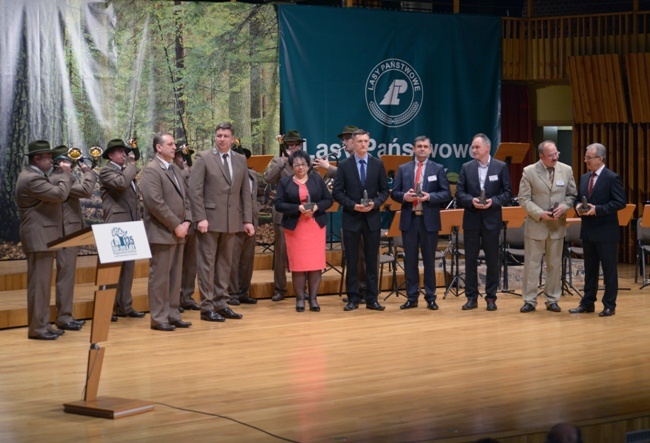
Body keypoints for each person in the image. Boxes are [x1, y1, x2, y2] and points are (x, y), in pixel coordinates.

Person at [189, 122, 254, 322]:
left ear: (233, 139)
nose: (222, 139)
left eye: (226, 136)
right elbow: (195, 190)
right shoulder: (204, 157)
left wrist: (247, 220)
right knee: (207, 264)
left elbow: (245, 192)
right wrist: (200, 217)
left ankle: (221, 303)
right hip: (209, 220)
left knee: (225, 264)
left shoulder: (240, 159)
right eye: (218, 135)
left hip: (232, 220)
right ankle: (207, 306)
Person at [16, 140, 74, 340]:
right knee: (39, 286)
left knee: (42, 285)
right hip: (38, 237)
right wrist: (66, 174)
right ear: (36, 158)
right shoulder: (32, 179)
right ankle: (37, 328)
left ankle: (43, 324)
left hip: (44, 237)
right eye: (48, 157)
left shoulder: (38, 176)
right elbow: (60, 194)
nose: (52, 160)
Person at [391, 135, 451, 310]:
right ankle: (412, 297)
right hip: (409, 220)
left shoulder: (438, 168)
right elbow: (394, 193)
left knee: (429, 260)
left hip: (429, 221)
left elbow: (446, 193)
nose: (422, 149)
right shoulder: (403, 169)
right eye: (419, 146)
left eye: (425, 146)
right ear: (413, 149)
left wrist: (430, 197)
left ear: (430, 149)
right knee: (410, 260)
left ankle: (431, 297)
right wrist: (405, 196)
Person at [140, 132, 193, 331]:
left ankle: (172, 313)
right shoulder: (152, 171)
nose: (174, 147)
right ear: (158, 148)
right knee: (160, 278)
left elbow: (186, 198)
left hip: (179, 231)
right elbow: (155, 203)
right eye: (170, 144)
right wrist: (176, 225)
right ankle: (158, 317)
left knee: (174, 277)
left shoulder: (175, 170)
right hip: (161, 233)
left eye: (174, 144)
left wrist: (187, 221)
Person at [332, 129, 389, 311]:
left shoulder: (378, 164)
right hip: (352, 218)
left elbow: (385, 191)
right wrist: (352, 205)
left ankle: (372, 298)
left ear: (369, 142)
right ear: (353, 144)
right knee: (353, 260)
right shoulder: (344, 165)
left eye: (366, 141)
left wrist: (375, 203)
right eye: (359, 142)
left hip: (372, 218)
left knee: (372, 260)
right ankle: (353, 298)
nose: (363, 144)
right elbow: (338, 193)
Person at [518, 140, 577, 313]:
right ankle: (529, 300)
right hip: (536, 225)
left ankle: (552, 299)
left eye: (557, 153)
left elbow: (572, 195)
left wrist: (564, 207)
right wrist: (539, 213)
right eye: (551, 155)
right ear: (541, 156)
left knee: (554, 264)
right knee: (532, 264)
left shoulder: (566, 170)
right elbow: (524, 199)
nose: (555, 157)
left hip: (557, 226)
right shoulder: (529, 171)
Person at [455, 133, 512, 311]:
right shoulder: (466, 167)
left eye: (477, 147)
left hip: (491, 220)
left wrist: (493, 202)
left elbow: (508, 193)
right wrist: (470, 201)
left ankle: (491, 297)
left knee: (492, 260)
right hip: (472, 219)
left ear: (487, 148)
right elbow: (459, 193)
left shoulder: (500, 167)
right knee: (470, 260)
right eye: (473, 147)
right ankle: (471, 297)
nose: (474, 150)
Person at [569, 143, 625, 317]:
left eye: (589, 158)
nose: (585, 160)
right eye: (586, 157)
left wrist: (598, 210)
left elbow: (619, 202)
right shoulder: (585, 177)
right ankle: (587, 302)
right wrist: (578, 205)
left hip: (606, 232)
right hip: (588, 231)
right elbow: (578, 198)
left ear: (600, 159)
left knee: (609, 270)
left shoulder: (612, 177)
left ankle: (609, 305)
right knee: (590, 270)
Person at [313, 124, 367, 302]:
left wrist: (329, 167)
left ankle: (365, 289)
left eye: (346, 139)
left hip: (364, 214)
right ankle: (356, 290)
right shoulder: (346, 161)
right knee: (353, 255)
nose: (343, 142)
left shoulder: (361, 160)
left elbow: (355, 176)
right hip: (350, 212)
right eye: (343, 140)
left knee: (364, 254)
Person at [274, 150, 333, 312]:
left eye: (303, 164)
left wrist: (316, 206)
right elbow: (278, 204)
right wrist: (297, 208)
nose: (300, 167)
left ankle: (313, 299)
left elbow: (328, 200)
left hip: (315, 227)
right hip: (295, 228)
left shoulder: (316, 179)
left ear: (308, 165)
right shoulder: (285, 182)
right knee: (298, 265)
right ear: (291, 166)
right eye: (296, 165)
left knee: (315, 265)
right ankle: (300, 299)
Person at [99, 138, 146, 320]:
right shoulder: (106, 171)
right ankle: (106, 307)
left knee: (128, 268)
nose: (125, 155)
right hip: (115, 226)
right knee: (111, 269)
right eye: (120, 152)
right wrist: (132, 165)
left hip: (131, 224)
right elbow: (121, 184)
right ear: (110, 155)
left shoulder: (126, 171)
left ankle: (124, 305)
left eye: (125, 152)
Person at [52, 147, 97, 331]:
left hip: (68, 230)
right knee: (66, 275)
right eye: (67, 161)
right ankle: (63, 317)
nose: (70, 165)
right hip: (65, 232)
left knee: (67, 274)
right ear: (59, 162)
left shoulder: (60, 178)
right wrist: (87, 171)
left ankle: (66, 315)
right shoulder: (58, 178)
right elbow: (86, 190)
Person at [263, 130, 305, 302]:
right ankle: (280, 289)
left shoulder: (305, 161)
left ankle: (303, 288)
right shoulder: (278, 161)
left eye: (296, 144)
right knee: (280, 254)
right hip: (282, 215)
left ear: (300, 145)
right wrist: (282, 163)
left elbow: (314, 180)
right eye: (290, 145)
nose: (293, 147)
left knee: (302, 253)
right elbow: (268, 178)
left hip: (302, 214)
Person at [228, 145, 259, 306]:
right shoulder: (229, 176)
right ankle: (232, 293)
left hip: (251, 222)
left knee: (248, 259)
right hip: (234, 221)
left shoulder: (253, 175)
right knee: (233, 260)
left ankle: (243, 291)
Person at [173, 144, 201, 311]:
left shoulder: (192, 173)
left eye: (186, 156)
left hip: (194, 222)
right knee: (178, 264)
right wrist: (186, 170)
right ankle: (175, 298)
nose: (183, 159)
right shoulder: (174, 173)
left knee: (191, 264)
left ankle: (187, 296)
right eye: (180, 156)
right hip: (180, 223)